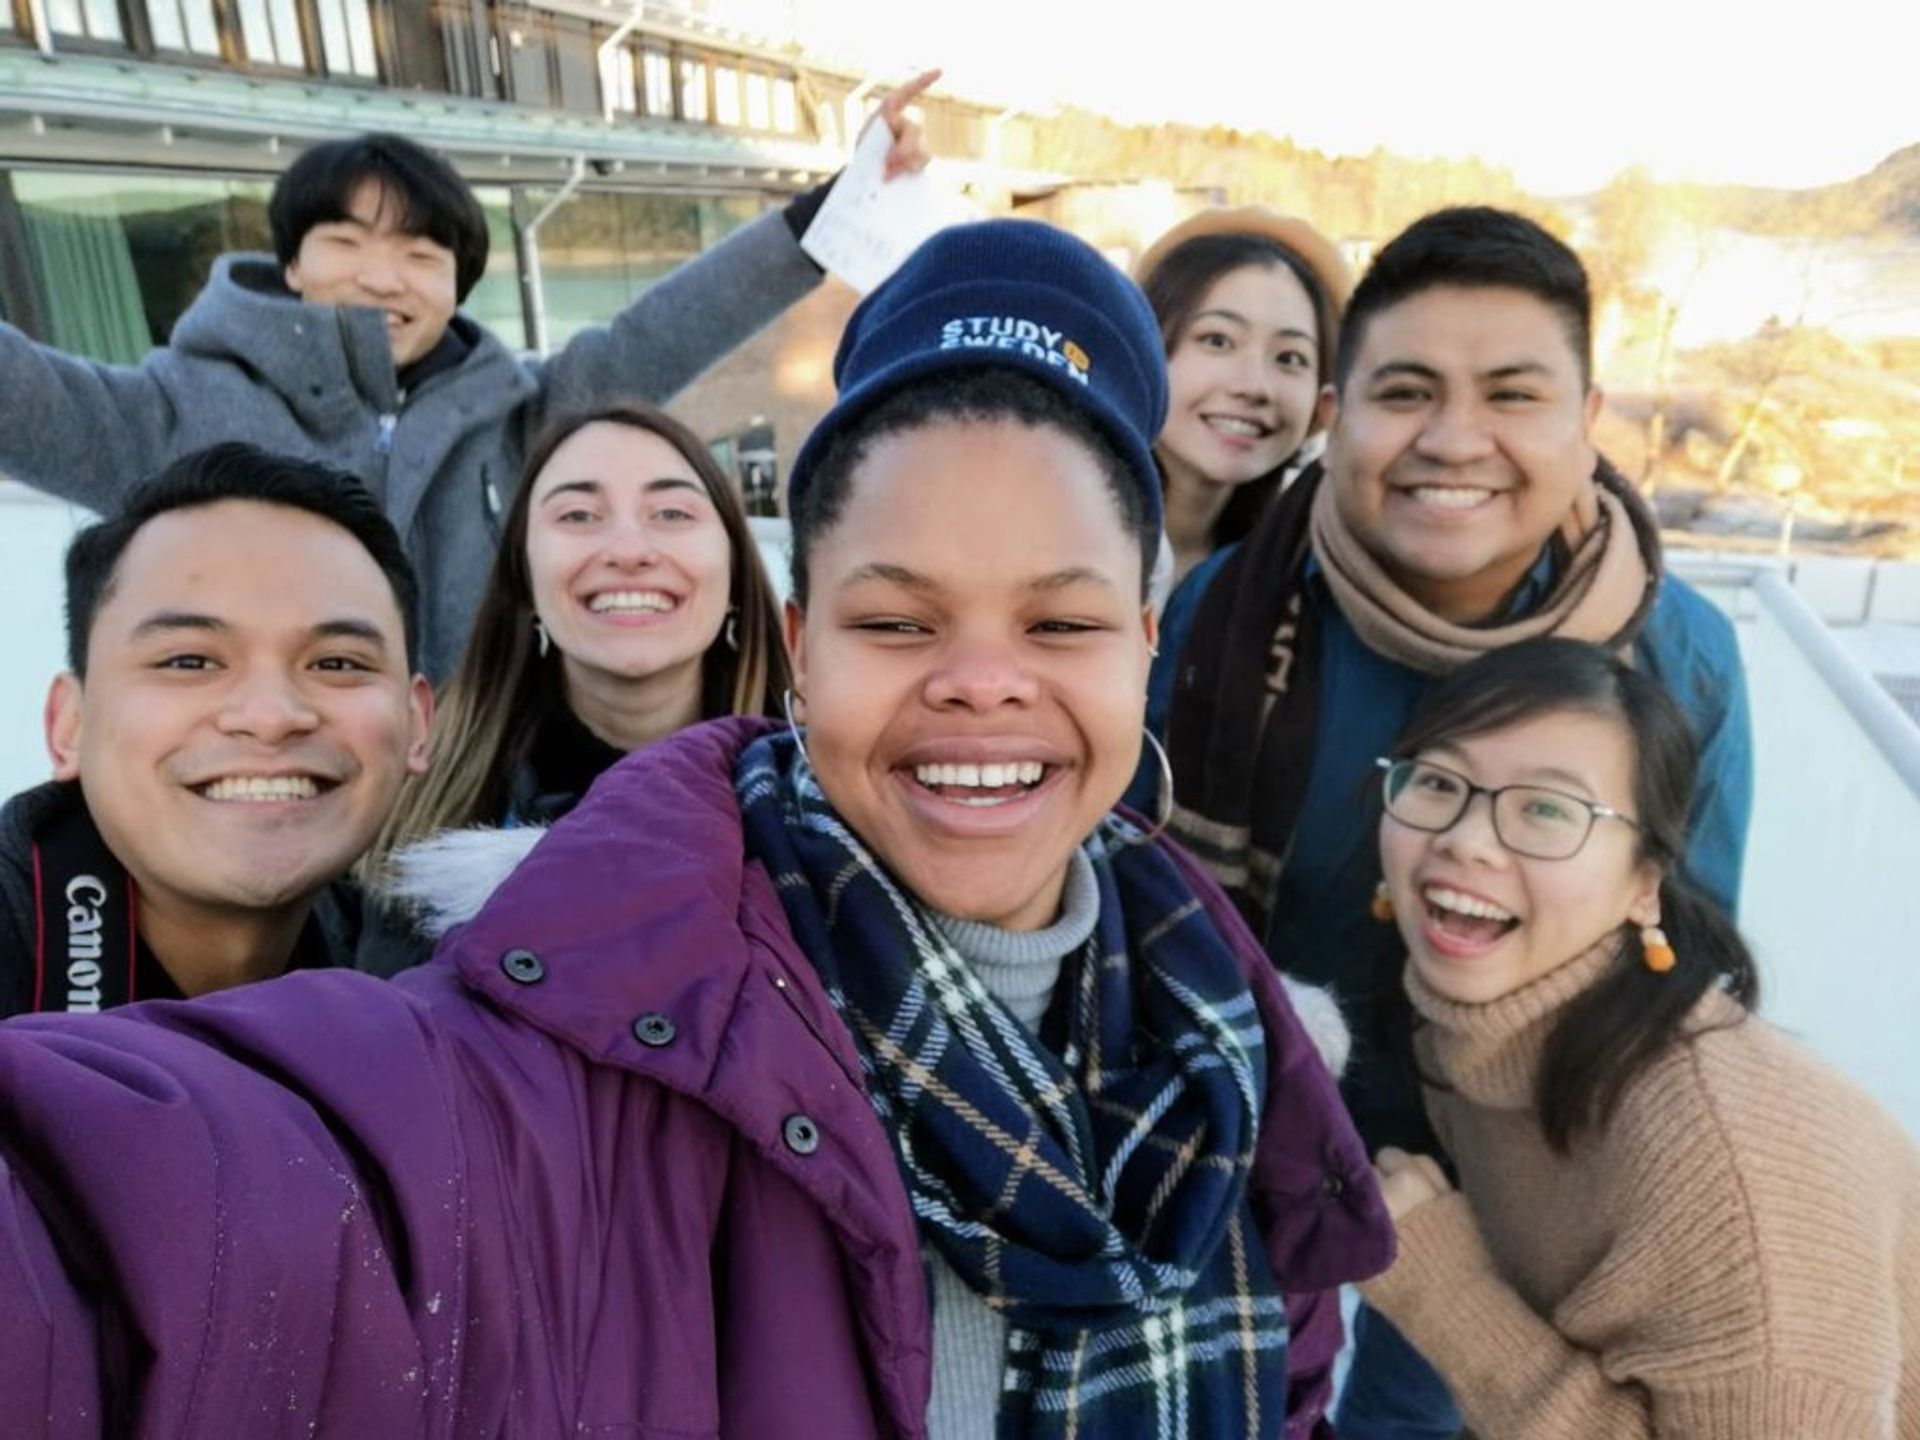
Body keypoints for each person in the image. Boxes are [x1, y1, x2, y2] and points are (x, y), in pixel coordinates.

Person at [0, 219, 1392, 1439]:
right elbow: (157, 1224)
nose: (981, 679)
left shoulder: (1236, 1057)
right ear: (799, 645)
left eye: (1063, 622)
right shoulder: (590, 1032)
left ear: (1147, 641)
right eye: (897, 621)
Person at [1154, 206, 1755, 1437]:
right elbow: (1145, 892)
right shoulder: (1230, 609)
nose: (1453, 439)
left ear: (1588, 423)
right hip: (1257, 1147)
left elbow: (1688, 961)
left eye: (1513, 394)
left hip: (1520, 1169)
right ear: (1339, 410)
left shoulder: (1678, 657)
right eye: (1407, 390)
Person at [0, 79, 932, 680]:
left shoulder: (518, 414)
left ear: (455, 283)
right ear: (290, 265)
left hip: (483, 815)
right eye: (346, 242)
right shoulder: (171, 413)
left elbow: (659, 333)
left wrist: (829, 212)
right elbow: (23, 396)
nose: (381, 275)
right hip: (271, 814)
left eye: (419, 251)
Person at [1357, 637, 1920, 1437]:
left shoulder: (1723, 1172)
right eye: (1440, 783)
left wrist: (1447, 1294)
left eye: (1547, 809)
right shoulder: (1473, 1036)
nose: (1466, 840)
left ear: (1644, 885)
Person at [357, 401, 790, 973]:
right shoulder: (419, 815)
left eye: (672, 513)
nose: (629, 551)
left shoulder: (825, 810)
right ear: (525, 579)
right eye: (579, 516)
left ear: (735, 571)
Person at [0, 442, 430, 1018]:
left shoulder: (424, 985)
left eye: (336, 663)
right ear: (68, 727)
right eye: (189, 662)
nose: (271, 717)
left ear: (417, 724)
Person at [1137, 206, 1351, 590]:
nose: (1254, 386)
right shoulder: (1054, 530)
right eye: (1217, 341)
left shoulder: (1299, 577)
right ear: (1144, 345)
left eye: (1290, 358)